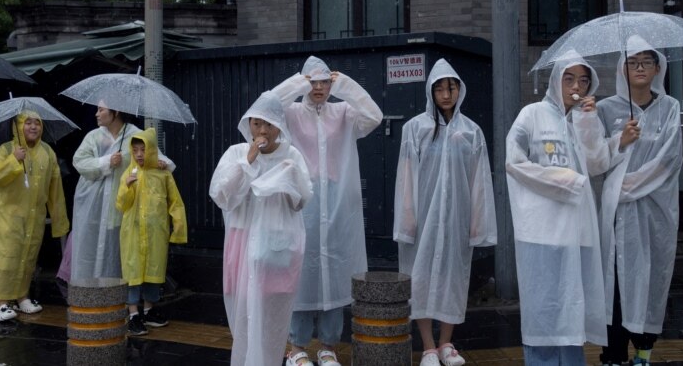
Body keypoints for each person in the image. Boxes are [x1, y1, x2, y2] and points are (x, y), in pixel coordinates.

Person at [506, 51, 620, 365]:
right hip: (540, 231)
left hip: (579, 230)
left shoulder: (586, 118)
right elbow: (514, 163)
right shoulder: (531, 115)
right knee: (542, 310)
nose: (576, 86)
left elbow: (597, 164)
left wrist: (588, 122)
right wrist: (566, 180)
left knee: (572, 309)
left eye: (584, 80)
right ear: (556, 80)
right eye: (569, 78)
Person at [272, 56, 383, 366]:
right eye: (313, 82)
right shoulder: (292, 113)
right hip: (303, 199)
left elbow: (374, 115)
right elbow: (267, 106)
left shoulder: (343, 112)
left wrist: (345, 84)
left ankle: (329, 346)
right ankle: (296, 346)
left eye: (324, 82)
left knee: (334, 270)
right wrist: (297, 82)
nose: (318, 88)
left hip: (336, 200)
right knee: (302, 268)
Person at [393, 59, 497, 366]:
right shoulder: (416, 128)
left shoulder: (470, 132)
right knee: (420, 277)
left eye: (450, 87)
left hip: (456, 219)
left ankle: (446, 344)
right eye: (439, 88)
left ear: (459, 90)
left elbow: (480, 180)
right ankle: (427, 346)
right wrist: (407, 216)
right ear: (431, 92)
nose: (445, 94)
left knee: (453, 278)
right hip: (423, 218)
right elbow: (406, 176)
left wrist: (477, 221)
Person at [594, 36, 683, 366]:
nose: (641, 68)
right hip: (616, 216)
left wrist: (624, 186)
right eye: (633, 62)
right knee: (614, 283)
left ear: (658, 68)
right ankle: (613, 355)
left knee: (651, 277)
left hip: (655, 212)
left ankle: (644, 351)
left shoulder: (669, 108)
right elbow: (594, 161)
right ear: (622, 69)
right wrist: (620, 140)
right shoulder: (606, 109)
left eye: (647, 61)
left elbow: (669, 159)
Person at [210, 92, 313, 366]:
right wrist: (248, 160)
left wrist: (291, 179)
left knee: (272, 314)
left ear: (280, 125)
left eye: (269, 123)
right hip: (242, 242)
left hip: (277, 243)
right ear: (249, 125)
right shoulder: (235, 153)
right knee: (243, 313)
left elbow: (301, 201)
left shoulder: (291, 155)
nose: (263, 130)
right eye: (257, 123)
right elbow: (222, 195)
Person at [59, 105, 175, 286]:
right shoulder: (94, 137)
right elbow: (79, 162)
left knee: (120, 251)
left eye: (101, 109)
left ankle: (119, 297)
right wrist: (106, 161)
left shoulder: (135, 135)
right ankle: (90, 293)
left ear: (116, 111)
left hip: (123, 203)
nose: (97, 114)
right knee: (91, 249)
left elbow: (157, 157)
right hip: (93, 204)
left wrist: (160, 163)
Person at [0, 110, 70, 322]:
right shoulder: (7, 149)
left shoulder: (48, 152)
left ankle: (22, 297)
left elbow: (55, 188)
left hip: (35, 216)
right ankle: (2, 302)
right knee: (7, 256)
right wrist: (14, 160)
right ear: (18, 126)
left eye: (38, 124)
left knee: (28, 257)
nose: (33, 127)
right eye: (28, 123)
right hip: (9, 216)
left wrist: (59, 220)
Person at [117, 127, 188, 336]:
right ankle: (133, 315)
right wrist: (127, 187)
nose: (139, 154)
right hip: (133, 235)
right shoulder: (128, 174)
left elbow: (175, 202)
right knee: (133, 273)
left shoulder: (162, 174)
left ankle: (148, 311)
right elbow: (121, 204)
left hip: (156, 234)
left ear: (152, 151)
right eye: (136, 150)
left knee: (153, 273)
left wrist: (179, 227)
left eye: (143, 150)